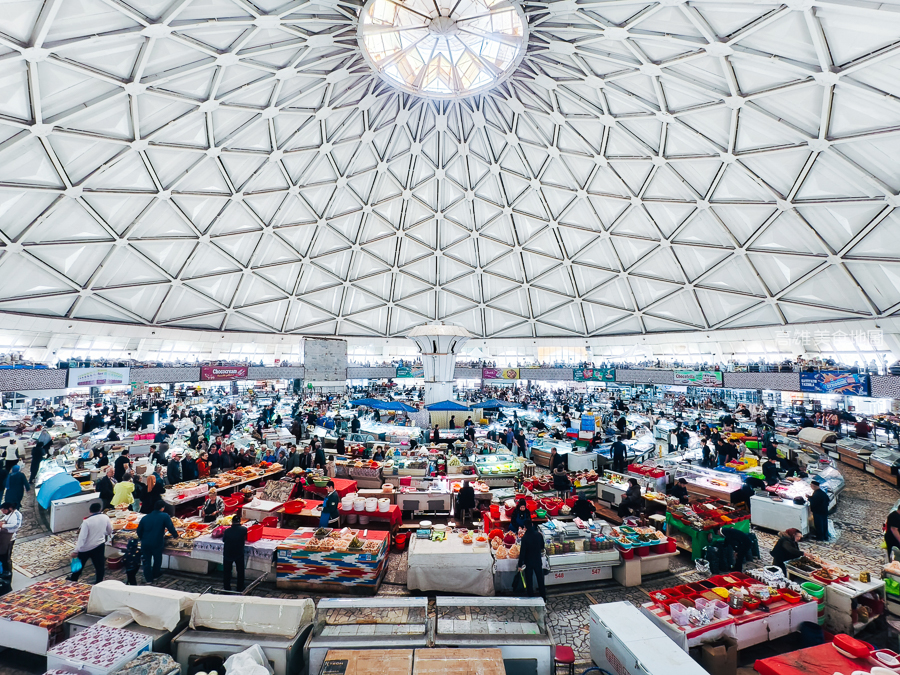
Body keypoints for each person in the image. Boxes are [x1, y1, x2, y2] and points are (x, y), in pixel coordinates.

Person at [136, 500, 178, 583]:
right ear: (162, 508)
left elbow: (139, 531)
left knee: (146, 561)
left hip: (145, 543)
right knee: (157, 559)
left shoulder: (145, 517)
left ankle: (148, 579)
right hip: (157, 542)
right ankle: (156, 574)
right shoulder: (164, 516)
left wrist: (143, 538)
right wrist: (176, 535)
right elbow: (170, 527)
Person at [69, 502, 112, 584]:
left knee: (79, 567)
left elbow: (82, 538)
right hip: (99, 545)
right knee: (99, 566)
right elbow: (109, 530)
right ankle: (99, 582)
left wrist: (76, 551)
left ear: (89, 511)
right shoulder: (105, 517)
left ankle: (73, 581)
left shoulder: (86, 522)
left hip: (85, 549)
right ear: (100, 509)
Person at [517, 521, 546, 600]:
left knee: (529, 580)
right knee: (540, 579)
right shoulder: (539, 535)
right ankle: (543, 597)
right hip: (537, 560)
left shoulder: (525, 538)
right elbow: (542, 547)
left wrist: (519, 565)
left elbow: (522, 553)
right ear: (532, 525)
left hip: (528, 562)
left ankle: (531, 597)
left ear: (525, 527)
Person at [222, 511, 247, 592]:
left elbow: (224, 540)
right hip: (238, 553)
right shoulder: (243, 529)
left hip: (228, 553)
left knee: (227, 572)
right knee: (240, 571)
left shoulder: (227, 531)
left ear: (232, 522)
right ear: (239, 521)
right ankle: (240, 587)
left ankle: (226, 587)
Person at [0, 502, 22, 573]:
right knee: (2, 554)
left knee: (7, 556)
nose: (3, 512)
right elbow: (3, 519)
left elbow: (15, 526)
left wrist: (3, 526)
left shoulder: (17, 515)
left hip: (10, 538)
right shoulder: (8, 514)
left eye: (4, 510)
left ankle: (8, 571)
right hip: (4, 536)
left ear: (9, 508)